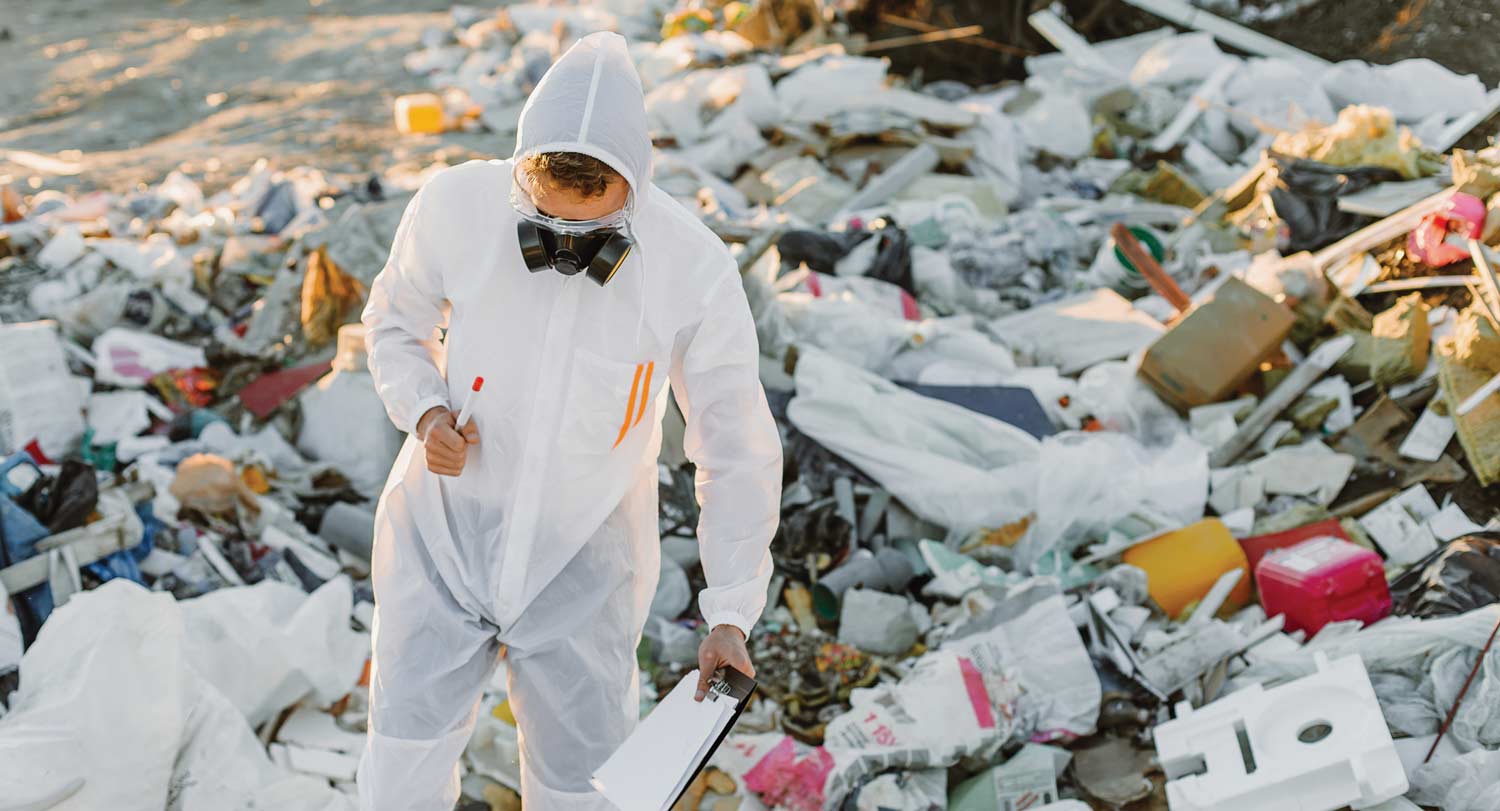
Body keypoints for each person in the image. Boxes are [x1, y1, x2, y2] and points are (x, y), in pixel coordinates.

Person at [356, 31, 782, 811]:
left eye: (591, 227)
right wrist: (423, 410)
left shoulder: (693, 270)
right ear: (522, 173)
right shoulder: (453, 205)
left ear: (635, 187)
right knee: (398, 777)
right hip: (441, 539)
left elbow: (734, 443)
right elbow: (392, 320)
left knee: (578, 796)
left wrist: (730, 609)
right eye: (551, 220)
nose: (568, 243)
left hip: (585, 563)